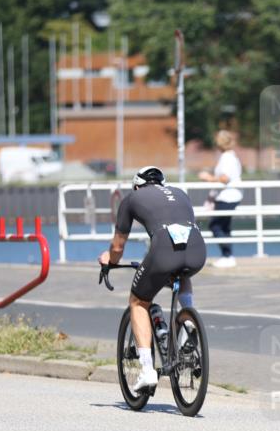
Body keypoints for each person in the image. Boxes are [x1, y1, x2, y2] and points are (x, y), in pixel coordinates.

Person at [99, 166, 207, 393]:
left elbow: (118, 247)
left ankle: (147, 370)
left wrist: (109, 259)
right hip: (197, 250)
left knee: (138, 302)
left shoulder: (131, 199)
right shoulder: (180, 193)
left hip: (163, 251)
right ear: (162, 183)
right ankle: (188, 320)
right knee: (182, 271)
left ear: (137, 186)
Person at [198, 129, 242, 267]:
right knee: (224, 226)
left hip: (227, 197)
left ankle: (227, 255)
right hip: (228, 195)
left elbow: (225, 178)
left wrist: (208, 177)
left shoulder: (227, 158)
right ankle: (227, 256)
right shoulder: (230, 156)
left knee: (216, 225)